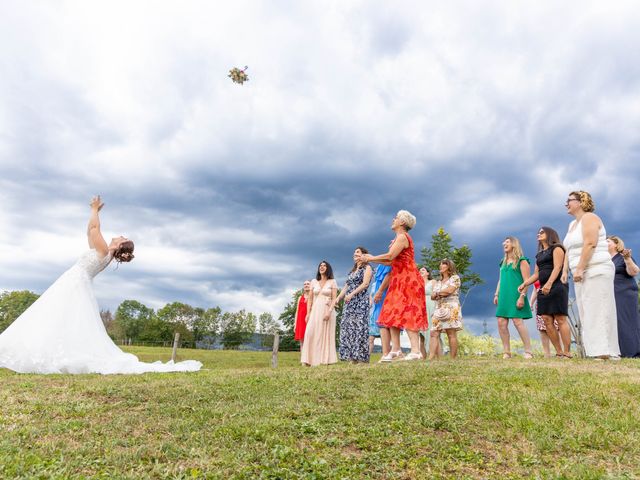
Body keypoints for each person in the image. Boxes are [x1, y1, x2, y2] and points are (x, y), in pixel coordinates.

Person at [0, 196, 202, 374]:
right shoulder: (104, 252)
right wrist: (94, 213)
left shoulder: (104, 250)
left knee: (53, 315)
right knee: (57, 317)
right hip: (75, 283)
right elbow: (90, 231)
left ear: (120, 245)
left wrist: (94, 209)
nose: (120, 235)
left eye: (123, 238)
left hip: (74, 284)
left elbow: (95, 229)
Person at [362, 210, 428, 361]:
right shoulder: (397, 239)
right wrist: (372, 259)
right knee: (392, 311)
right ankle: (396, 350)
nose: (393, 219)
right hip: (397, 279)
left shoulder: (403, 237)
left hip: (409, 278)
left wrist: (371, 258)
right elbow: (390, 261)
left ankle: (416, 351)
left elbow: (390, 257)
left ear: (402, 223)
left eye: (396, 218)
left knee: (409, 311)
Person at [562, 190, 620, 359]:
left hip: (596, 268)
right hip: (580, 272)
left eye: (569, 200)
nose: (566, 203)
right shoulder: (572, 225)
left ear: (580, 202)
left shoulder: (590, 218)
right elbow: (569, 249)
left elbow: (590, 244)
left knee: (599, 309)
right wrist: (566, 270)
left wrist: (580, 267)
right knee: (586, 311)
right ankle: (596, 350)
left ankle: (605, 352)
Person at [519, 227, 571, 358]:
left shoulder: (557, 248)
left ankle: (567, 352)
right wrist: (525, 283)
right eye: (538, 232)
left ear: (550, 234)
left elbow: (558, 267)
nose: (538, 234)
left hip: (557, 286)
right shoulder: (539, 255)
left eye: (542, 232)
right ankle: (558, 351)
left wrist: (549, 283)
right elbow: (536, 274)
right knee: (547, 319)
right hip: (542, 289)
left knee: (560, 318)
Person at [494, 236, 534, 359]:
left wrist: (522, 296)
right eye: (503, 242)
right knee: (501, 322)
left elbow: (527, 281)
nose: (503, 244)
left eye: (507, 242)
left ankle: (528, 351)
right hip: (504, 295)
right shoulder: (503, 262)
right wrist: (496, 294)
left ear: (514, 244)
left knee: (517, 321)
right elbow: (501, 280)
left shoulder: (522, 260)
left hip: (517, 294)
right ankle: (507, 352)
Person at [332, 247, 373, 363]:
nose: (355, 254)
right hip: (349, 303)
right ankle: (352, 357)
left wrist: (352, 294)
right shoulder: (352, 271)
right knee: (348, 328)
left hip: (360, 301)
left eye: (358, 252)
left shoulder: (367, 267)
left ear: (364, 255)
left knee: (359, 328)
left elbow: (365, 284)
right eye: (354, 253)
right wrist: (338, 298)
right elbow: (346, 286)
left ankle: (361, 358)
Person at [607, 235, 640, 358]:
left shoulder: (622, 257)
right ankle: (617, 350)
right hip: (610, 294)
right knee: (614, 322)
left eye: (608, 241)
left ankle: (631, 352)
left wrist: (627, 259)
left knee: (625, 321)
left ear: (616, 244)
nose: (605, 243)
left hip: (624, 293)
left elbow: (634, 272)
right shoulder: (605, 260)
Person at [301, 261, 338, 366]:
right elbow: (310, 300)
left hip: (327, 310)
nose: (322, 267)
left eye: (324, 265)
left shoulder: (332, 282)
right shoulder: (314, 282)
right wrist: (308, 313)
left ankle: (324, 360)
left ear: (328, 268)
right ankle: (308, 360)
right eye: (320, 266)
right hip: (315, 311)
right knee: (309, 333)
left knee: (324, 335)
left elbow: (334, 299)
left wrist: (329, 312)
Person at [429, 259, 462, 359]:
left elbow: (450, 290)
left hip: (452, 306)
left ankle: (453, 358)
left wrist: (438, 293)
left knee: (451, 333)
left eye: (443, 264)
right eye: (440, 264)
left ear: (448, 266)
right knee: (434, 332)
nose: (440, 266)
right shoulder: (438, 282)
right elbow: (432, 296)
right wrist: (440, 293)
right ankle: (430, 358)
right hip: (439, 308)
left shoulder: (455, 278)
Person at [530, 281, 559, 358]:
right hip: (540, 303)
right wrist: (531, 302)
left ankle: (560, 352)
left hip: (553, 301)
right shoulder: (537, 274)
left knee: (556, 327)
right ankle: (547, 354)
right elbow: (535, 290)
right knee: (542, 329)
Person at [368, 264, 391, 357]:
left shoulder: (384, 281)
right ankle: (366, 356)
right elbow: (371, 296)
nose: (375, 272)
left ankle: (386, 353)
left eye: (377, 270)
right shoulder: (374, 284)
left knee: (385, 330)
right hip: (374, 310)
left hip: (382, 306)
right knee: (370, 337)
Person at [419, 267, 436, 358]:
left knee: (432, 332)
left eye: (423, 270)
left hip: (431, 307)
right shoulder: (417, 283)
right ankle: (423, 357)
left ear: (428, 273)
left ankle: (433, 356)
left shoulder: (433, 282)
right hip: (420, 308)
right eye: (419, 270)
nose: (420, 271)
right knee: (421, 334)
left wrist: (436, 309)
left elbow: (436, 295)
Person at [294, 280, 311, 351]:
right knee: (302, 341)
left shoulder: (313, 297)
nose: (306, 285)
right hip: (300, 321)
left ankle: (310, 359)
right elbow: (297, 311)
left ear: (311, 286)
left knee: (310, 339)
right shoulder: (300, 298)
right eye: (305, 284)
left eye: (308, 284)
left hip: (309, 320)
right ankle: (303, 359)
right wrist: (295, 324)